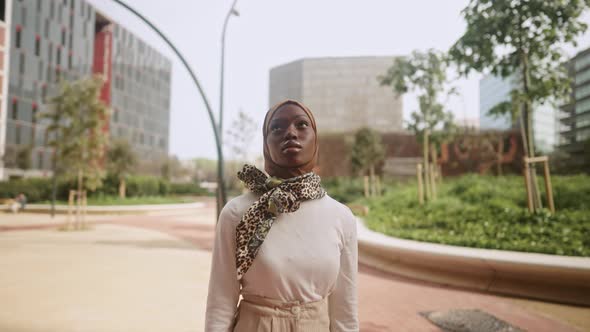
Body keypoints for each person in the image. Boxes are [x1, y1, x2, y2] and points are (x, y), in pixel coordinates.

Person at [205, 100, 358, 331]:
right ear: (266, 143)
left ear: (315, 139)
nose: (290, 133)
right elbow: (221, 302)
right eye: (277, 128)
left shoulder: (341, 217)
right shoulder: (236, 213)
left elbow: (345, 311)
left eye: (302, 124)